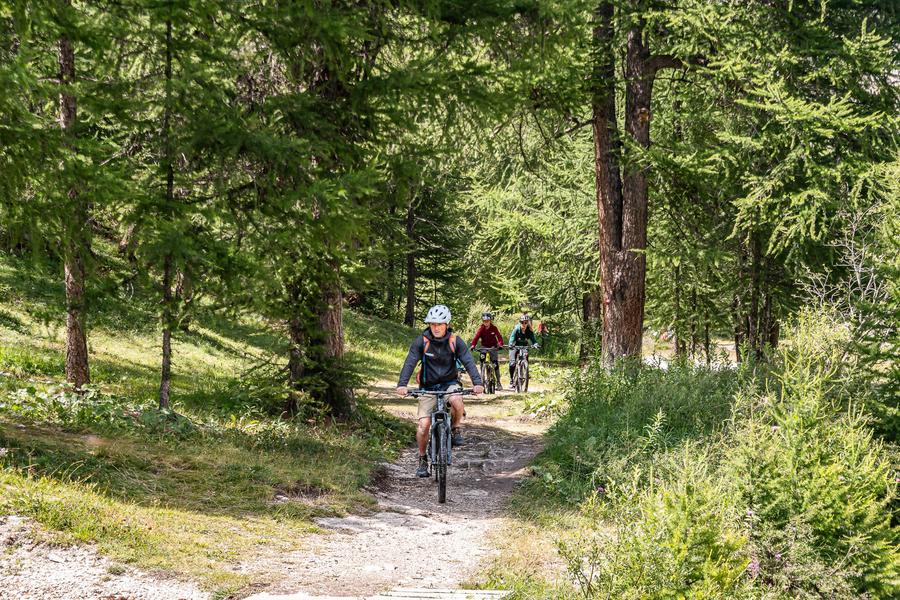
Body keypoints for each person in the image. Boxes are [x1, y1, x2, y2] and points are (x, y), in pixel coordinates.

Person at [396, 304, 484, 477]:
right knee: (424, 425)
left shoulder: (455, 341)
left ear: (447, 324)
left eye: (440, 324)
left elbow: (468, 361)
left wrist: (477, 382)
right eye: (433, 324)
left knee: (457, 401)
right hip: (427, 387)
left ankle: (456, 428)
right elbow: (410, 362)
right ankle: (422, 460)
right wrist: (402, 384)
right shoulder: (422, 341)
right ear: (429, 325)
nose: (436, 327)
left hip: (450, 383)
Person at [470, 311, 505, 390]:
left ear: (490, 321)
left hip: (493, 347)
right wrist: (473, 345)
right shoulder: (481, 329)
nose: (486, 323)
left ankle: (498, 383)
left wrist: (500, 344)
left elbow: (499, 337)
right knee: (482, 360)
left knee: (495, 364)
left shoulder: (494, 328)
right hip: (484, 347)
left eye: (487, 321)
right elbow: (476, 337)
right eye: (484, 321)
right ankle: (482, 377)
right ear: (483, 321)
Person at [507, 315, 538, 382]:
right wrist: (511, 344)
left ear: (528, 323)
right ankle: (511, 379)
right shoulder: (517, 329)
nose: (524, 324)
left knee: (525, 356)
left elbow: (533, 340)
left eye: (526, 322)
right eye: (522, 322)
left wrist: (535, 344)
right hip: (514, 346)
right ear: (520, 322)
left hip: (524, 346)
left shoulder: (529, 330)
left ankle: (525, 371)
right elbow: (512, 338)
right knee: (512, 363)